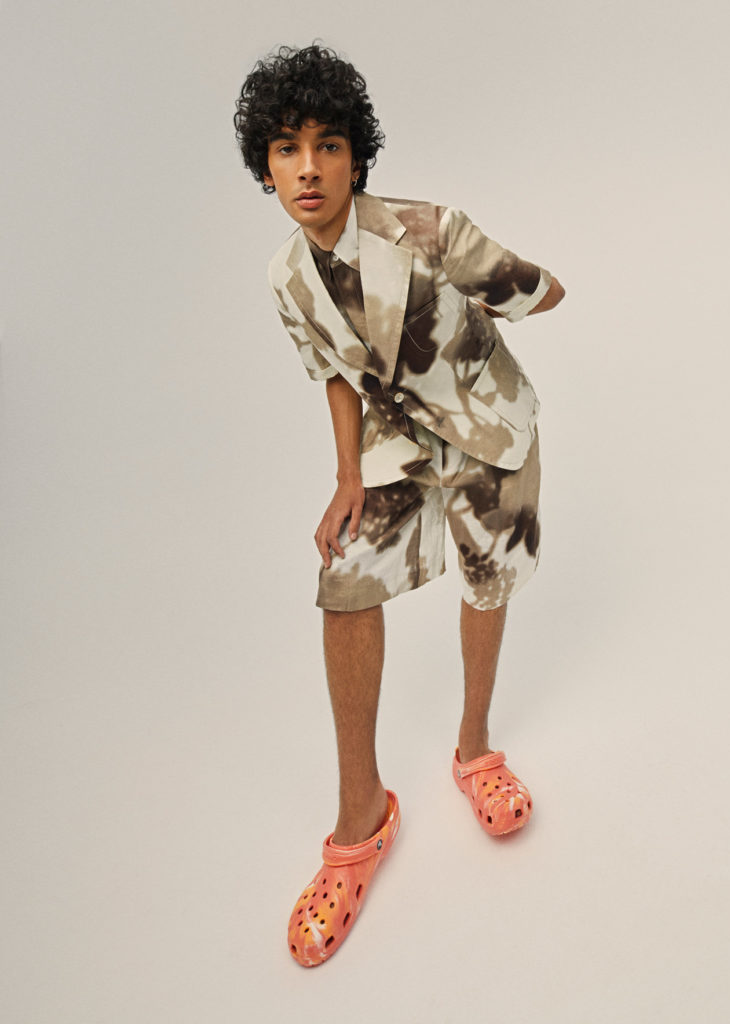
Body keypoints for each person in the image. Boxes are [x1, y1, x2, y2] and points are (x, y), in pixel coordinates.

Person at [234, 43, 565, 968]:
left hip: (491, 431)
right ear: (266, 167)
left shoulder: (430, 230)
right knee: (343, 581)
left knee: (487, 580)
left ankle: (474, 751)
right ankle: (361, 821)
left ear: (355, 158)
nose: (308, 167)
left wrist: (477, 316)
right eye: (287, 148)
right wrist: (348, 475)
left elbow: (539, 292)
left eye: (328, 145)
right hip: (395, 447)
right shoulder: (286, 278)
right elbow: (336, 374)